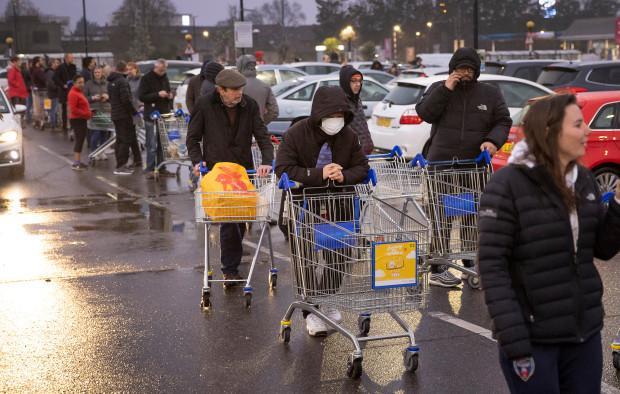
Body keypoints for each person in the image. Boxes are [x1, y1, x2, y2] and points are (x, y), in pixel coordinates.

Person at [478, 94, 620, 393]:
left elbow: (602, 248)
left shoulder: (582, 178)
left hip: (583, 334)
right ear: (550, 131)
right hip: (533, 340)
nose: (588, 132)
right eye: (579, 124)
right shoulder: (507, 186)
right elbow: (492, 267)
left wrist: (618, 205)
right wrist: (514, 340)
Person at [275, 85, 370, 336]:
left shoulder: (348, 136)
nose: (336, 120)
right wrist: (318, 174)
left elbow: (362, 167)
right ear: (319, 114)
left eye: (341, 115)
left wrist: (343, 175)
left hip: (339, 204)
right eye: (332, 115)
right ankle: (311, 311)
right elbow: (283, 169)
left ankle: (326, 300)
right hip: (303, 206)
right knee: (305, 259)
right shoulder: (296, 134)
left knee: (338, 255)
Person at [415, 47, 512, 288]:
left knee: (472, 215)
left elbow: (503, 120)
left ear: (477, 71)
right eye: (460, 69)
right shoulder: (439, 88)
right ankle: (439, 267)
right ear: (452, 69)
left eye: (469, 69)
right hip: (441, 163)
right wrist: (446, 88)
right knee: (441, 216)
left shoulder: (489, 94)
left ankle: (469, 263)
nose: (465, 73)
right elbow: (425, 113)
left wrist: (492, 141)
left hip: (474, 165)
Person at [186, 69, 274, 286]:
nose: (238, 95)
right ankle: (230, 269)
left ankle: (232, 259)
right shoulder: (205, 105)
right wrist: (198, 161)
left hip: (243, 171)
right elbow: (193, 138)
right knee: (230, 221)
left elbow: (262, 135)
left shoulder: (250, 105)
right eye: (234, 91)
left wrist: (266, 161)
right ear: (220, 90)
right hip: (218, 173)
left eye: (240, 90)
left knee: (240, 219)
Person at [138, 59, 175, 179]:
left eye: (164, 70)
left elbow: (168, 90)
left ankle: (161, 167)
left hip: (164, 113)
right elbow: (142, 96)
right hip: (151, 115)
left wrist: (169, 95)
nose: (162, 72)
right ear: (155, 67)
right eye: (160, 70)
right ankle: (150, 168)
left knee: (162, 143)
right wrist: (157, 94)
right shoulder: (146, 78)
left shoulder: (165, 77)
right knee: (152, 144)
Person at [108, 61, 140, 175]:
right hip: (124, 115)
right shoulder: (122, 81)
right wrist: (134, 112)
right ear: (124, 69)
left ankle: (120, 164)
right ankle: (121, 166)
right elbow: (126, 100)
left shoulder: (111, 82)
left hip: (116, 114)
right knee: (125, 140)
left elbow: (112, 99)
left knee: (120, 139)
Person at [339, 65, 374, 154]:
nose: (358, 84)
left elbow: (362, 125)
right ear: (345, 82)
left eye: (359, 81)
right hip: (352, 153)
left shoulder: (357, 99)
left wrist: (368, 143)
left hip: (364, 150)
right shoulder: (340, 101)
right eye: (354, 81)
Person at [236, 55, 279, 125]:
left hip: (238, 129)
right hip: (258, 130)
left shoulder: (235, 86)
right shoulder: (265, 86)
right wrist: (261, 122)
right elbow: (274, 111)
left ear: (240, 67)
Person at [84, 66, 111, 157]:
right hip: (94, 110)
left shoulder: (107, 83)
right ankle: (94, 152)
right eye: (95, 72)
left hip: (106, 110)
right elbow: (84, 98)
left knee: (104, 132)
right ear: (93, 73)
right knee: (96, 132)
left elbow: (112, 96)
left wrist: (107, 97)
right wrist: (93, 98)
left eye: (99, 72)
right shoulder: (88, 84)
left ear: (102, 73)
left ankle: (102, 151)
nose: (97, 74)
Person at [67, 75, 92, 171]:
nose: (82, 84)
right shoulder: (73, 93)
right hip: (77, 119)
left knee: (81, 139)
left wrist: (88, 112)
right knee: (79, 140)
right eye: (79, 82)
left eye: (82, 82)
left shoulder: (79, 92)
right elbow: (74, 109)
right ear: (74, 83)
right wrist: (86, 114)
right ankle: (76, 163)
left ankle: (78, 161)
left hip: (81, 118)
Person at [126, 62, 144, 167]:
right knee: (132, 136)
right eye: (127, 69)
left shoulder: (141, 80)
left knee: (135, 135)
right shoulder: (127, 80)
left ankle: (136, 158)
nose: (129, 71)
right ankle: (136, 159)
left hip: (139, 110)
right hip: (130, 110)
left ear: (136, 69)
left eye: (131, 69)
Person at [54, 53, 77, 132]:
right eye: (71, 58)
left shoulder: (73, 67)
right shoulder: (60, 67)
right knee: (64, 109)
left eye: (72, 57)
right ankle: (64, 125)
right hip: (64, 91)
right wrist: (62, 85)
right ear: (66, 58)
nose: (72, 59)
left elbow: (75, 76)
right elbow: (55, 78)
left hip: (72, 89)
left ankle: (72, 125)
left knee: (72, 108)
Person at [45, 59, 61, 129]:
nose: (58, 64)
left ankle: (53, 123)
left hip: (50, 93)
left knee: (51, 109)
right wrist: (58, 87)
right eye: (56, 63)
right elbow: (51, 83)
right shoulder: (51, 72)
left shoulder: (50, 72)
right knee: (53, 110)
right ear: (52, 64)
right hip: (53, 94)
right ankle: (53, 125)